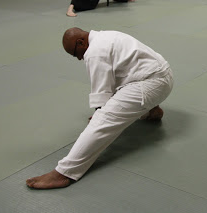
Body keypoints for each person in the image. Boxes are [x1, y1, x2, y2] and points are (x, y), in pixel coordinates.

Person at [26, 28, 173, 189]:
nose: (79, 58)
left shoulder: (94, 52)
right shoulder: (107, 36)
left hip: (150, 85)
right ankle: (152, 110)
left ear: (81, 42)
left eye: (76, 53)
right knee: (123, 75)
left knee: (103, 120)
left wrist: (100, 114)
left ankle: (64, 172)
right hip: (164, 77)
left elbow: (101, 93)